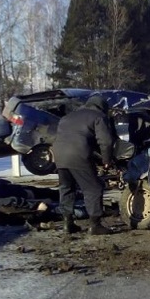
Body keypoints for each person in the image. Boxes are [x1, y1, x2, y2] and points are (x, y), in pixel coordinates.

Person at [53, 94, 115, 235]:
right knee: (93, 188)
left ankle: (67, 224)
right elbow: (106, 142)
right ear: (102, 107)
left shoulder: (67, 117)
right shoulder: (98, 116)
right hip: (78, 154)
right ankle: (95, 225)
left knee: (67, 188)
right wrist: (106, 161)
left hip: (59, 155)